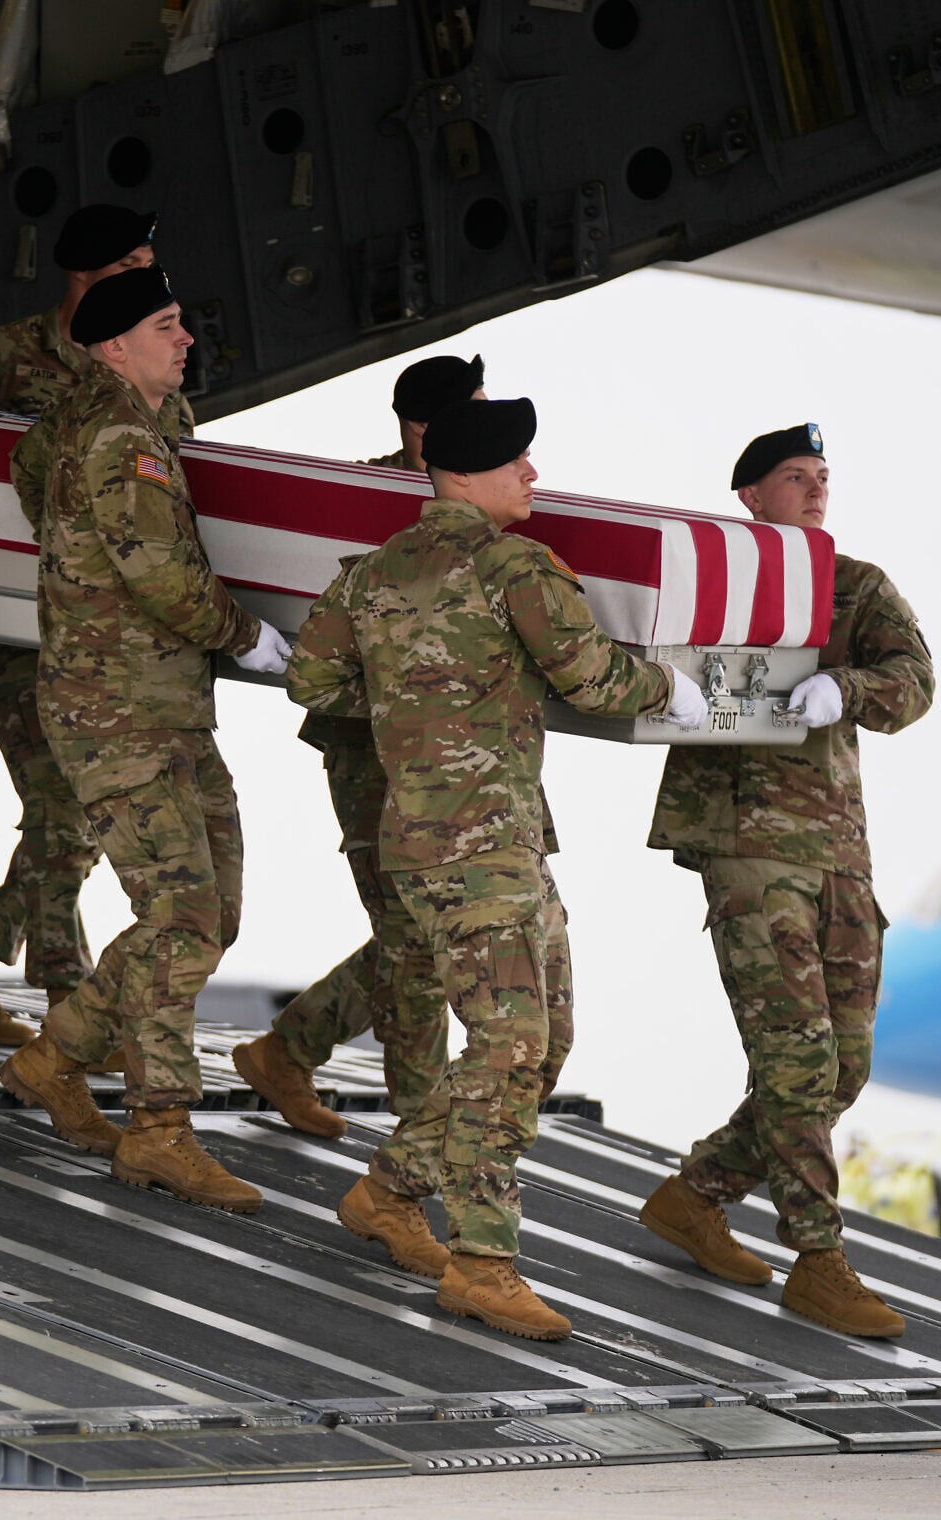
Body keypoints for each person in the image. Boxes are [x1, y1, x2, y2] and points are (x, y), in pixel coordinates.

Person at [288, 397, 706, 1339]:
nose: (532, 476)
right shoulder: (515, 567)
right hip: (481, 849)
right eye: (518, 461)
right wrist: (671, 688)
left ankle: (391, 1188)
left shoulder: (372, 573)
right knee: (514, 1048)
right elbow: (591, 676)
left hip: (450, 841)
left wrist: (410, 702)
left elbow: (310, 680)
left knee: (541, 1043)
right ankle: (481, 1263)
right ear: (470, 473)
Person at [0, 268, 291, 1210]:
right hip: (117, 709)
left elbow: (30, 476)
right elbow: (160, 576)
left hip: (159, 705)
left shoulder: (95, 418)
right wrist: (248, 636)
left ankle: (56, 1056)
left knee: (212, 911)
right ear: (116, 346)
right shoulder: (122, 436)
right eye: (167, 326)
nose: (186, 339)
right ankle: (159, 1130)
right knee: (182, 916)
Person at [638, 423, 935, 1340]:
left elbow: (915, 680)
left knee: (844, 1064)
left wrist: (849, 688)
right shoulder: (709, 576)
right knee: (797, 1060)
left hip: (838, 846)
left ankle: (697, 1195)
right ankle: (817, 1260)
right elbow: (641, 658)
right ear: (751, 496)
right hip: (746, 840)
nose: (814, 490)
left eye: (822, 477)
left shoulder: (856, 585)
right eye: (795, 477)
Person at [0, 205, 187, 1049]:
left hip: (107, 635)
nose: (147, 279)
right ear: (82, 275)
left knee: (73, 811)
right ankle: (66, 1001)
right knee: (61, 807)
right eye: (129, 266)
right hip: (14, 616)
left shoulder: (153, 369)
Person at [234, 352, 489, 1150]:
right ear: (422, 429)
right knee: (415, 933)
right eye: (474, 410)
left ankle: (290, 1050)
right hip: (369, 744)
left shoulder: (483, 497)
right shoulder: (355, 503)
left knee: (422, 930)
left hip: (453, 755)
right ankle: (418, 1126)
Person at [360, 354, 485, 470]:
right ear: (421, 426)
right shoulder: (363, 482)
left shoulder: (490, 477)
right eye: (473, 411)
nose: (489, 418)